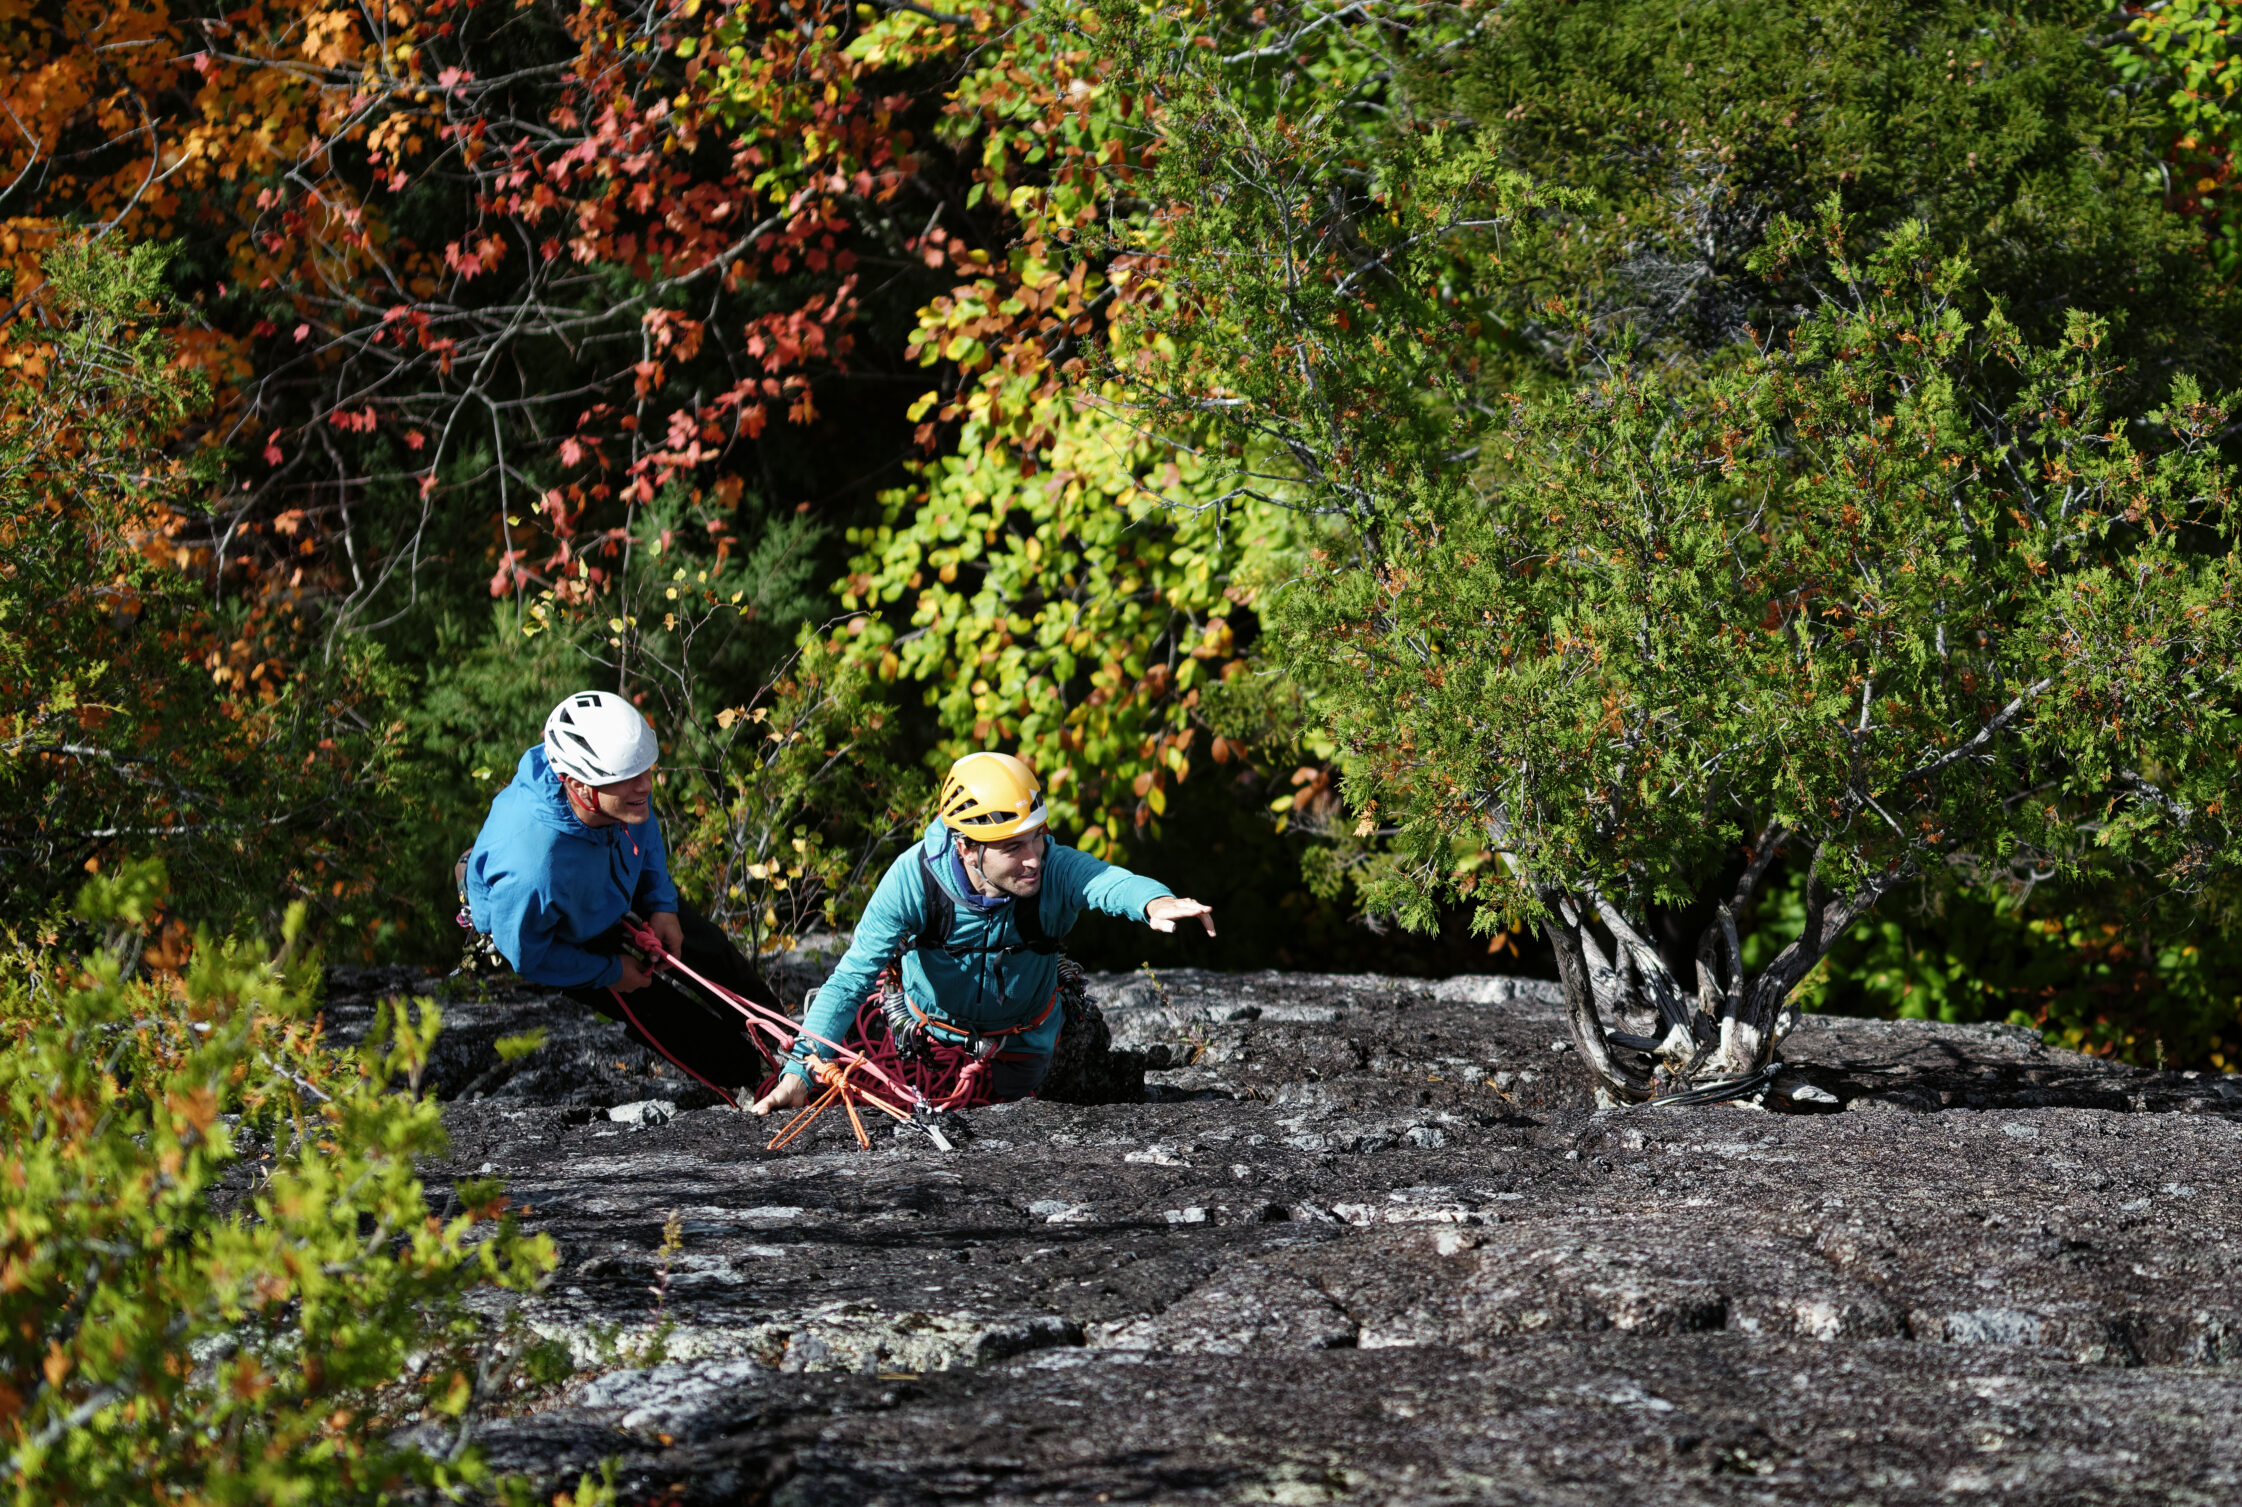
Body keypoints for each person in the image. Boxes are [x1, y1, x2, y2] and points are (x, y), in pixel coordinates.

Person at [750, 750, 1215, 1115]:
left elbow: (1105, 882)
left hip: (1024, 1047)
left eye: (1037, 835)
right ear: (966, 848)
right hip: (926, 1043)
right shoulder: (915, 881)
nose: (1034, 856)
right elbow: (852, 978)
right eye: (1012, 846)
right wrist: (800, 1074)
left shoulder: (1051, 871)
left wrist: (1154, 901)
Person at [462, 690, 781, 1101]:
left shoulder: (617, 796)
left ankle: (790, 1041)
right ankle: (753, 1078)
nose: (645, 786)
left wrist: (661, 904)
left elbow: (642, 829)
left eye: (646, 771)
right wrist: (610, 972)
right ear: (576, 784)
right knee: (659, 1009)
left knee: (710, 951)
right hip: (566, 929)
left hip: (610, 883)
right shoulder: (534, 871)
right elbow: (528, 954)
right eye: (629, 778)